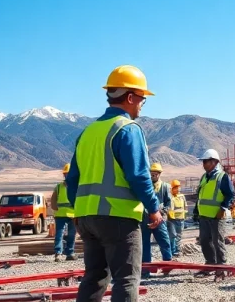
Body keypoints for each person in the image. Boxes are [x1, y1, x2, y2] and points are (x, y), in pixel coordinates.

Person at [66, 65, 162, 302]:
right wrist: (154, 207)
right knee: (126, 279)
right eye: (142, 99)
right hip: (118, 217)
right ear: (130, 97)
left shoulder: (88, 131)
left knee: (94, 277)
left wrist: (78, 212)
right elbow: (139, 176)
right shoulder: (128, 129)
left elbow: (72, 179)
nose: (141, 105)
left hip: (87, 217)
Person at [193, 148, 235, 276]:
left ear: (213, 162)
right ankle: (210, 263)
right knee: (205, 240)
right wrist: (196, 211)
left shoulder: (222, 177)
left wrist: (223, 209)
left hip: (217, 215)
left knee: (218, 241)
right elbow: (200, 196)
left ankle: (221, 266)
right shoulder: (204, 178)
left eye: (205, 161)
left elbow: (230, 194)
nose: (203, 164)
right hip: (204, 215)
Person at [140, 162, 173, 278]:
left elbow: (169, 203)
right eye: (151, 174)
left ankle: (167, 266)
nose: (153, 176)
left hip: (159, 220)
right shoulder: (145, 186)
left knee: (164, 242)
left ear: (159, 174)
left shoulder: (165, 187)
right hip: (145, 219)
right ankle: (145, 270)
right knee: (144, 244)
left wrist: (161, 213)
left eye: (155, 174)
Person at [50, 163, 76, 262]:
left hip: (68, 214)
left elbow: (53, 201)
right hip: (65, 214)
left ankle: (65, 253)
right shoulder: (61, 186)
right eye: (65, 174)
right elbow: (53, 200)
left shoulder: (61, 186)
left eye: (67, 173)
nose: (66, 175)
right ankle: (64, 253)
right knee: (64, 234)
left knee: (67, 235)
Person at [167, 180, 186, 257]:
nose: (177, 189)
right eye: (175, 187)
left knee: (179, 235)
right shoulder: (170, 197)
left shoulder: (182, 196)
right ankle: (173, 251)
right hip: (172, 219)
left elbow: (185, 206)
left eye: (178, 187)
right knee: (172, 236)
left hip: (181, 218)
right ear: (172, 188)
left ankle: (177, 250)